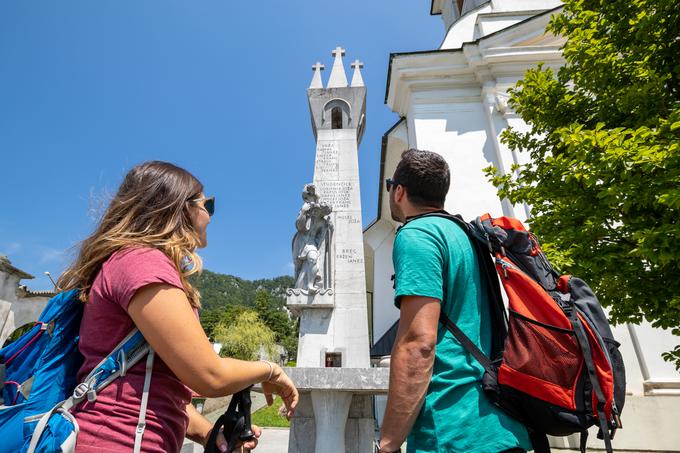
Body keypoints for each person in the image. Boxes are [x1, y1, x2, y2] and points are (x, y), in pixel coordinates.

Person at [57, 161, 299, 453]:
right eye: (206, 204)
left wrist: (211, 434)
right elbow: (210, 375)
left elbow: (159, 390)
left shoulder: (133, 262)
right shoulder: (143, 261)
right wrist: (271, 370)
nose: (210, 216)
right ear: (181, 208)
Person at [376, 150, 531, 453]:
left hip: (452, 429)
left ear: (399, 191)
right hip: (501, 422)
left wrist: (389, 442)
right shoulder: (466, 235)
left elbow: (418, 342)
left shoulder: (417, 234)